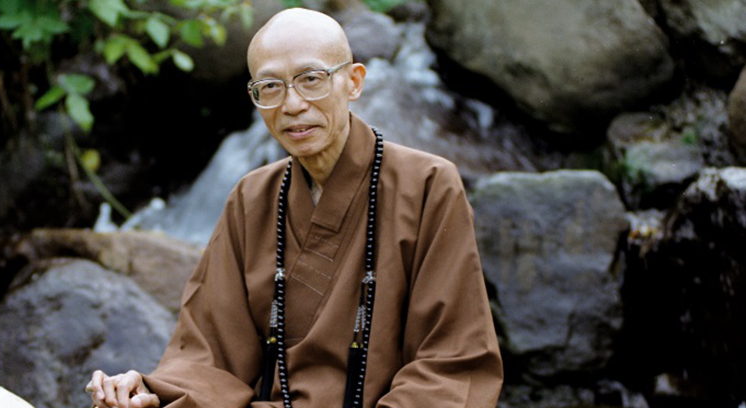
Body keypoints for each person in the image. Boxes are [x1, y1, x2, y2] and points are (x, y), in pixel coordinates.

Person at [87, 8, 503, 408]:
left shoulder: (428, 185)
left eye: (310, 79)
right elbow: (207, 355)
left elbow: (451, 363)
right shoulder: (252, 198)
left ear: (354, 82)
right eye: (270, 87)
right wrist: (149, 394)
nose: (292, 104)